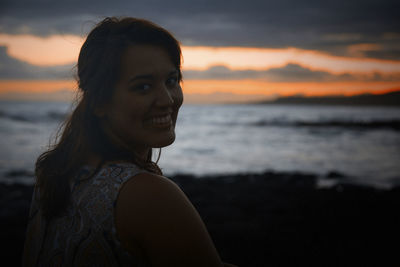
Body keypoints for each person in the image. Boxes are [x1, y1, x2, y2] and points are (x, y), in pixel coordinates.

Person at [23, 17, 236, 267]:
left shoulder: (54, 174)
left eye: (171, 80)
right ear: (100, 102)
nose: (167, 99)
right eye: (143, 87)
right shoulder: (152, 196)